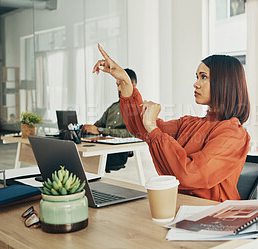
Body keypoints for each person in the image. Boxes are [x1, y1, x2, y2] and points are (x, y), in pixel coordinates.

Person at [93, 44, 250, 202]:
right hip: (183, 206)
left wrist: (152, 128)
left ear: (224, 82)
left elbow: (190, 174)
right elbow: (143, 129)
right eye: (197, 77)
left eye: (203, 77)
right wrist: (125, 82)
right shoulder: (189, 123)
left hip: (214, 214)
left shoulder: (233, 134)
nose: (196, 84)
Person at [81, 68, 138, 172]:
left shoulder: (136, 108)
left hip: (116, 154)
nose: (118, 89)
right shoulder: (113, 107)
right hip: (101, 147)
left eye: (121, 85)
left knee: (79, 160)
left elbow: (131, 133)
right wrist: (87, 128)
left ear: (133, 84)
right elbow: (98, 125)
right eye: (117, 85)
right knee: (74, 154)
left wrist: (101, 130)